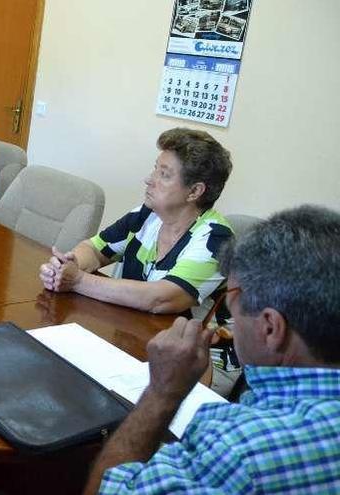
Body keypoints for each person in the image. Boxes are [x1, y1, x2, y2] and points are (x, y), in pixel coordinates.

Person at [85, 204, 340, 494]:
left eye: (231, 300)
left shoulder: (237, 448)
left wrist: (161, 393)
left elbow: (107, 489)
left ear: (270, 327)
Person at [40, 128, 233, 314]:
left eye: (164, 175)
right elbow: (93, 249)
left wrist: (77, 280)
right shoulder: (147, 215)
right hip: (128, 330)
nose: (149, 179)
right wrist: (64, 268)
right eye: (155, 169)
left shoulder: (216, 238)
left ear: (194, 192)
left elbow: (161, 299)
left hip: (185, 343)